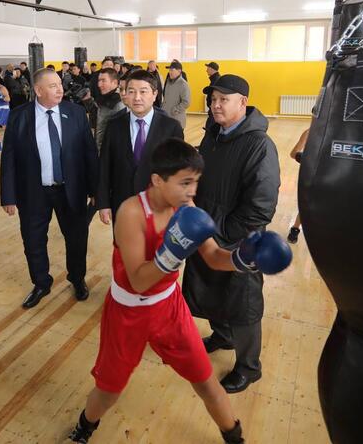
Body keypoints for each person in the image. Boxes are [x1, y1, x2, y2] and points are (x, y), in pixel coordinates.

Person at [68, 138, 290, 444]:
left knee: (206, 381)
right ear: (158, 180)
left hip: (170, 309)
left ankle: (235, 437)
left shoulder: (186, 208)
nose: (192, 191)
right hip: (127, 313)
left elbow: (213, 257)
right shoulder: (131, 212)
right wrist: (171, 253)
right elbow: (139, 281)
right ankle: (85, 425)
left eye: (196, 182)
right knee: (109, 389)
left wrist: (244, 259)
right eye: (185, 183)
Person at [183, 75, 281, 394]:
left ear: (243, 102)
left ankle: (249, 367)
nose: (215, 105)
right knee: (211, 290)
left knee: (243, 304)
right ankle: (223, 336)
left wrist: (225, 232)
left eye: (224, 99)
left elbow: (261, 206)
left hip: (239, 240)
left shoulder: (259, 145)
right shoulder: (213, 135)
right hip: (206, 231)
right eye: (213, 99)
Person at [0, 68, 98, 309]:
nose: (60, 89)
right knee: (33, 240)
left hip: (71, 190)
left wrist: (96, 190)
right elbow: (9, 158)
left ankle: (77, 278)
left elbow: (89, 153)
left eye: (60, 84)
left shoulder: (76, 112)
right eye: (53, 86)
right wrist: (8, 196)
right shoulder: (19, 116)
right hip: (33, 192)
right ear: (38, 90)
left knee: (76, 238)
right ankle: (41, 283)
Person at [96, 70, 183, 226]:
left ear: (155, 94)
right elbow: (105, 166)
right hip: (122, 204)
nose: (137, 97)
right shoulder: (114, 125)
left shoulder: (171, 127)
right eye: (131, 91)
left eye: (143, 91)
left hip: (159, 206)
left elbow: (178, 170)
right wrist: (103, 203)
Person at [94, 68, 125, 151]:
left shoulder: (118, 104)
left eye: (103, 80)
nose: (99, 84)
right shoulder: (105, 98)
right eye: (99, 81)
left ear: (114, 82)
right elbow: (100, 120)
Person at [287, 128, 310, 243]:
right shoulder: (310, 132)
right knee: (306, 205)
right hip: (313, 177)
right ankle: (295, 229)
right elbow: (293, 154)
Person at [161, 61, 191, 128]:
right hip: (167, 118)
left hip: (177, 119)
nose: (170, 72)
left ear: (179, 71)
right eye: (169, 70)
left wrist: (175, 109)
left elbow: (186, 102)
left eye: (172, 70)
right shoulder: (168, 82)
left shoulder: (183, 84)